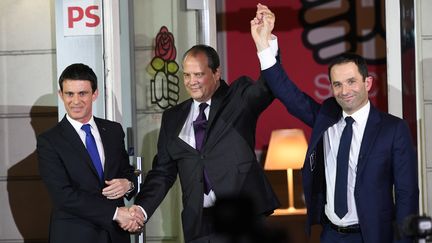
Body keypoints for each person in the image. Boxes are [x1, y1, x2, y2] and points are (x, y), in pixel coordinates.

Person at [252, 4, 419, 243]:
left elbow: (407, 194)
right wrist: (264, 43)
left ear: (368, 83)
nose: (345, 90)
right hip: (330, 235)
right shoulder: (326, 117)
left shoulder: (393, 129)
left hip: (372, 236)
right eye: (337, 84)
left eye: (351, 82)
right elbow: (287, 93)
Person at [119, 9, 281, 242]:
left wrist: (265, 42)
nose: (191, 82)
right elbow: (163, 173)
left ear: (216, 73)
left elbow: (268, 87)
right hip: (199, 224)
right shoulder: (173, 117)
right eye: (186, 75)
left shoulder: (238, 98)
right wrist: (141, 210)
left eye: (198, 75)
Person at [37, 63, 141, 243]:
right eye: (69, 94)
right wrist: (116, 213)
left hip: (115, 235)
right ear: (61, 95)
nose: (75, 101)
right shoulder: (49, 141)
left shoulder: (114, 130)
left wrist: (128, 184)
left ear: (95, 94)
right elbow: (63, 196)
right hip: (74, 235)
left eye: (82, 93)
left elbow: (126, 171)